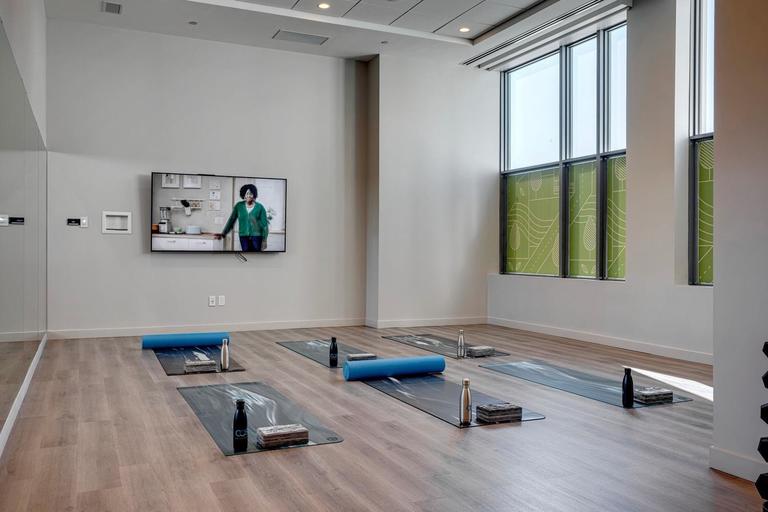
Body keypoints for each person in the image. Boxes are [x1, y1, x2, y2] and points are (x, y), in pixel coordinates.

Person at [216, 184, 269, 251]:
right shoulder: (239, 206)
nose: (248, 196)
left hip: (257, 236)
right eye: (246, 194)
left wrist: (264, 240)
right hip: (243, 237)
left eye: (251, 194)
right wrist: (224, 233)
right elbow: (231, 221)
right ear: (243, 194)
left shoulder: (260, 207)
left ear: (254, 194)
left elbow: (265, 225)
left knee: (256, 255)